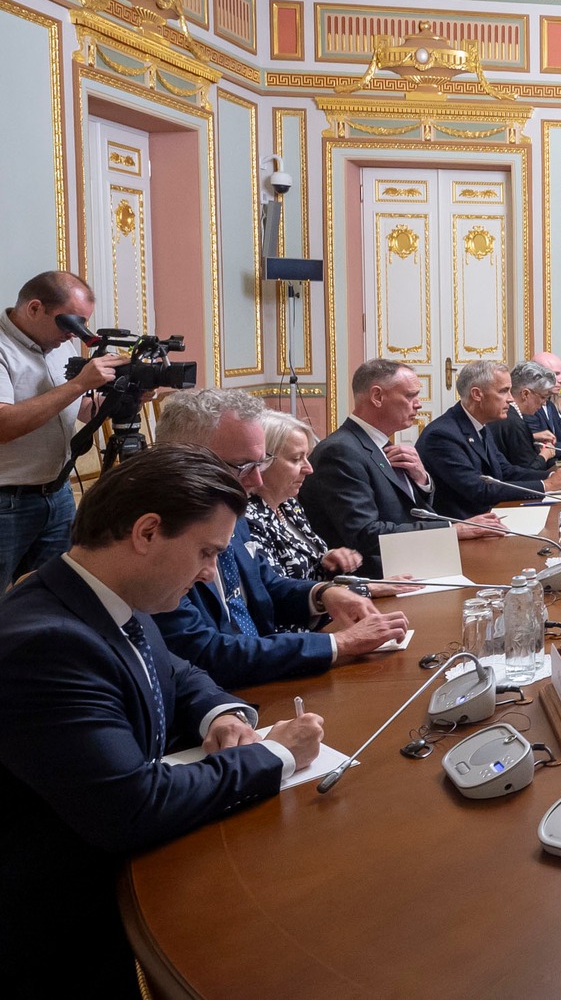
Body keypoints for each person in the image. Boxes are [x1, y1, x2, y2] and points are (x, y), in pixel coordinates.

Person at [0, 446, 327, 998]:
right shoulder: (47, 643)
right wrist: (275, 753)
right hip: (68, 929)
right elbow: (132, 806)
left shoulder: (102, 594)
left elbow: (175, 670)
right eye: (206, 551)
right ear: (147, 532)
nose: (210, 572)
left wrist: (220, 713)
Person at [153, 389, 407, 687]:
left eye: (260, 464)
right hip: (230, 689)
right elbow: (207, 654)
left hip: (268, 673)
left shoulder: (230, 507)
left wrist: (323, 594)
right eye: (245, 467)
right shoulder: (162, 536)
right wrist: (338, 644)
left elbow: (266, 585)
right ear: (187, 459)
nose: (257, 480)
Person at [301, 360, 505, 571]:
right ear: (377, 396)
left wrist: (422, 479)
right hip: (381, 574)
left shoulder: (379, 443)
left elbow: (412, 509)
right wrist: (451, 529)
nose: (418, 404)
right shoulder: (339, 452)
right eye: (410, 396)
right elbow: (366, 534)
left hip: (414, 558)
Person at [0, 271, 122, 580]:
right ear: (35, 308)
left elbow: (80, 409)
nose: (73, 335)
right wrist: (79, 383)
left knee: (52, 593)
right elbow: (3, 426)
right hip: (7, 501)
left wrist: (124, 395)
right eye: (70, 324)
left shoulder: (59, 344)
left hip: (58, 493)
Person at [419, 360, 561, 520]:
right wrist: (547, 485)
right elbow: (479, 490)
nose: (510, 399)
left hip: (489, 517)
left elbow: (505, 471)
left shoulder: (479, 424)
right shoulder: (442, 435)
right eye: (503, 391)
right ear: (477, 394)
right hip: (464, 525)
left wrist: (552, 475)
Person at [245, 410, 361, 582]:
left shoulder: (289, 505)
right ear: (262, 461)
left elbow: (308, 568)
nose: (309, 469)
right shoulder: (248, 517)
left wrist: (329, 561)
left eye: (306, 457)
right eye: (296, 459)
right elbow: (273, 587)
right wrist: (366, 589)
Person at [490, 361, 561, 472]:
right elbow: (527, 472)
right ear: (525, 394)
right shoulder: (514, 422)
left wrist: (533, 437)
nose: (544, 403)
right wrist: (545, 454)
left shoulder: (506, 415)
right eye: (543, 397)